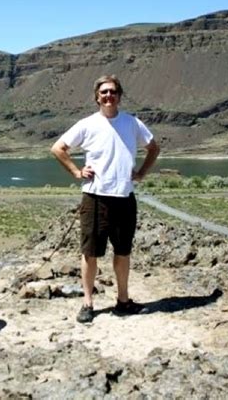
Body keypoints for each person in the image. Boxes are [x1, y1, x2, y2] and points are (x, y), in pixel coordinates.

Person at [51, 74, 160, 323]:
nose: (108, 96)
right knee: (90, 253)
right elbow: (58, 148)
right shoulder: (87, 124)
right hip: (95, 198)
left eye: (113, 92)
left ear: (119, 95)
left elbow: (153, 147)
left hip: (124, 197)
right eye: (104, 92)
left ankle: (123, 301)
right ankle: (88, 303)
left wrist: (141, 172)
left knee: (123, 252)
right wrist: (77, 171)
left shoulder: (132, 123)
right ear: (97, 97)